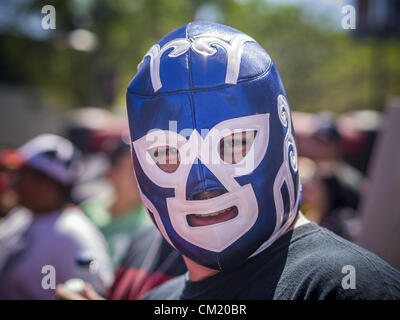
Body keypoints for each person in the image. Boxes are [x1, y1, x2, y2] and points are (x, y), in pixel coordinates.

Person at [122, 21, 400, 299]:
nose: (205, 186)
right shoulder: (156, 300)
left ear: (284, 139)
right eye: (167, 153)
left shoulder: (348, 288)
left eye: (233, 144)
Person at [0, 134, 113, 299]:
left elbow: (96, 292)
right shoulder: (21, 216)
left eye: (24, 174)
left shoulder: (72, 233)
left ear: (48, 184)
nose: (14, 181)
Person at [80, 140, 151, 266]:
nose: (138, 176)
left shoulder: (152, 222)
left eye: (143, 169)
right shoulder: (87, 211)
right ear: (110, 173)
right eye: (131, 169)